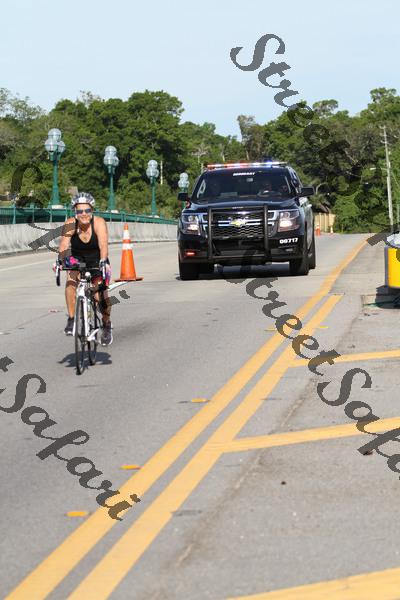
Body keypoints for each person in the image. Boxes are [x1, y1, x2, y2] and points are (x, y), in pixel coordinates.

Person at [55, 192, 113, 346]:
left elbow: (103, 245)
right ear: (75, 212)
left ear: (92, 210)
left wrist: (103, 261)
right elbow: (64, 244)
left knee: (99, 296)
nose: (83, 214)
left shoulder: (99, 223)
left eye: (87, 210)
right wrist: (59, 261)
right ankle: (71, 320)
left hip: (97, 260)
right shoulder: (70, 223)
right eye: (79, 211)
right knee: (70, 282)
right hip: (78, 260)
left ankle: (106, 324)